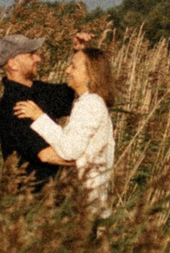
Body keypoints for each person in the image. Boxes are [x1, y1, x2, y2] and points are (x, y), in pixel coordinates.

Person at [15, 31, 115, 216]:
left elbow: (69, 150)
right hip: (88, 202)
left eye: (73, 67)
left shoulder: (91, 104)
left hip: (87, 204)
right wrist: (80, 51)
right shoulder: (89, 101)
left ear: (90, 74)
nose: (67, 70)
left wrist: (39, 117)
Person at [0, 32, 75, 187]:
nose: (38, 59)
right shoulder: (15, 105)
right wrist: (88, 160)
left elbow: (76, 92)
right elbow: (46, 155)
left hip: (52, 193)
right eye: (31, 55)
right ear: (13, 64)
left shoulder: (37, 90)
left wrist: (80, 51)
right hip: (32, 198)